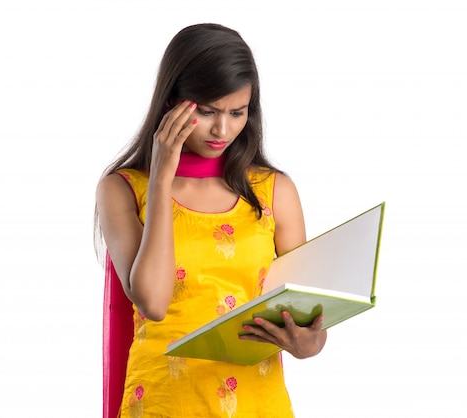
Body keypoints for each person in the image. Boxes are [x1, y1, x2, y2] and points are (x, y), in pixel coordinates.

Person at [94, 23, 327, 418]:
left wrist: (309, 344)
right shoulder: (123, 189)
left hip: (258, 403)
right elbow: (152, 301)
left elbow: (309, 316)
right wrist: (161, 178)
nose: (223, 129)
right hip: (165, 402)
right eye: (207, 111)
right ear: (171, 103)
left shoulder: (274, 191)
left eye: (237, 112)